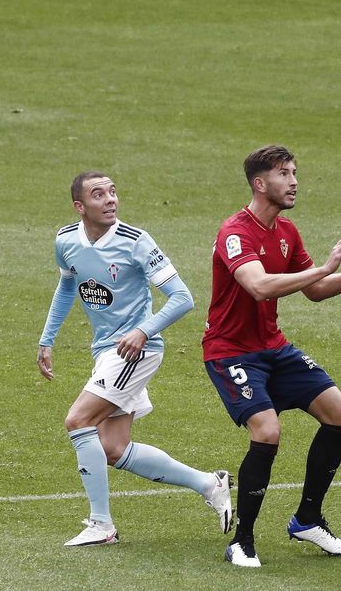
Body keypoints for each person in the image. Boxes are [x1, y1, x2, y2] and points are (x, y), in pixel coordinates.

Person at [203, 145, 341, 568]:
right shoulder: (236, 231)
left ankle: (307, 519)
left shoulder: (286, 232)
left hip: (273, 347)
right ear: (260, 183)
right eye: (284, 173)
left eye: (294, 172)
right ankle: (243, 541)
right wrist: (324, 267)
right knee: (267, 431)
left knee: (340, 414)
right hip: (231, 352)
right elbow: (259, 286)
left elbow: (315, 291)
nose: (293, 181)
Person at [37, 171, 233, 546]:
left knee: (78, 420)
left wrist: (144, 330)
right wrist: (47, 339)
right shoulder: (66, 240)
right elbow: (67, 286)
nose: (110, 199)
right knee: (112, 448)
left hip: (136, 350)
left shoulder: (136, 241)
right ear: (80, 206)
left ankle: (101, 525)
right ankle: (209, 483)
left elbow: (182, 297)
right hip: (105, 350)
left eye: (113, 192)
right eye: (99, 195)